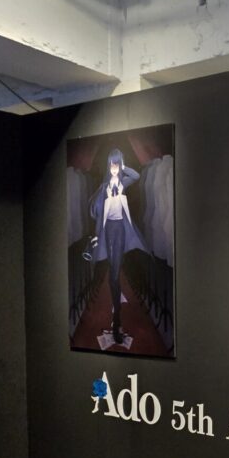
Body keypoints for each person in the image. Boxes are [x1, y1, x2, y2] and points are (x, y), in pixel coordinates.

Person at [84, 148, 147, 345]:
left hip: (120, 229)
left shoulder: (123, 182)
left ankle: (116, 317)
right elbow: (96, 212)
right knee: (112, 271)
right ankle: (116, 310)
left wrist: (123, 166)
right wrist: (96, 235)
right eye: (111, 164)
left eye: (116, 164)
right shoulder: (104, 186)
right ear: (108, 166)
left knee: (114, 272)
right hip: (107, 231)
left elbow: (136, 176)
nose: (114, 168)